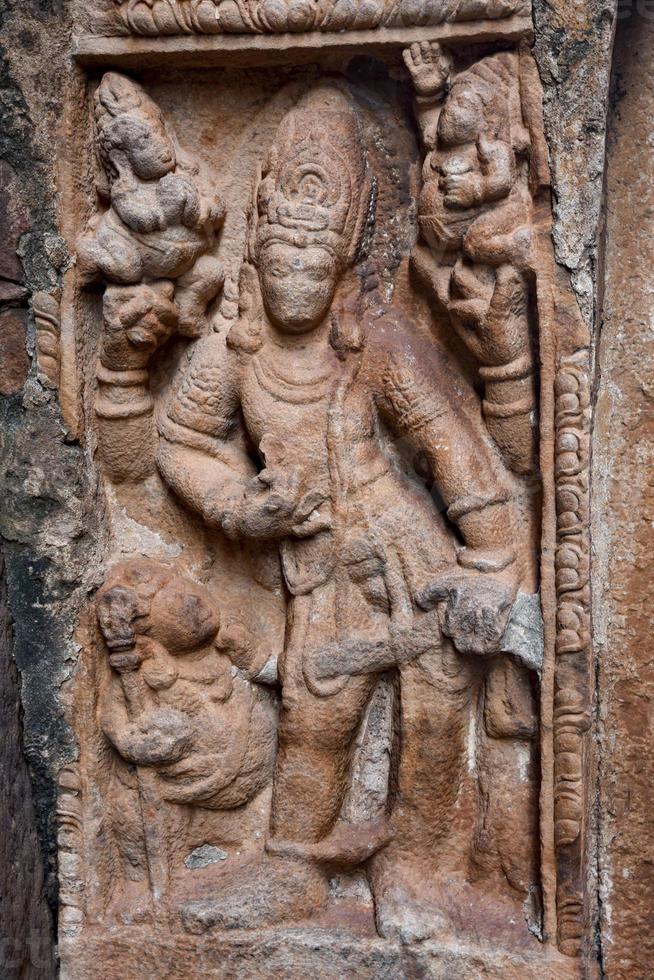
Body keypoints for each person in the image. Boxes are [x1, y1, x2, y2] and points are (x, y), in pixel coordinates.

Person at [155, 82, 524, 932]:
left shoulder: (376, 344)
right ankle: (294, 865)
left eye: (313, 267)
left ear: (346, 262)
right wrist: (243, 508)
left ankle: (419, 867)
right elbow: (182, 442)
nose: (293, 283)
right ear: (257, 255)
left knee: (434, 718)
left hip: (409, 554)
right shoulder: (234, 351)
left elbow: (447, 446)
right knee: (315, 723)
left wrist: (495, 552)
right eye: (279, 262)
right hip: (319, 570)